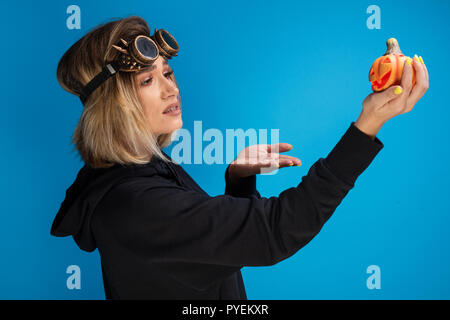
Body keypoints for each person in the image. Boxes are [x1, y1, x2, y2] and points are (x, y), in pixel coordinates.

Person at [50, 16, 429, 300]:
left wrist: (238, 179)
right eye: (148, 81)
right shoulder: (135, 203)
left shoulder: (143, 174)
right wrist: (369, 123)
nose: (171, 89)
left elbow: (216, 250)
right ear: (114, 107)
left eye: (167, 72)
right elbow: (275, 232)